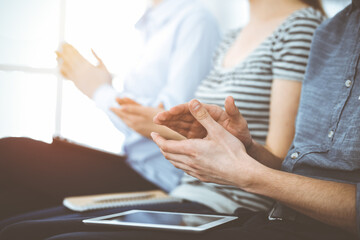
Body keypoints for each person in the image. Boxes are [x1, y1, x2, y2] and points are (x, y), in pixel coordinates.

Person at [0, 0, 327, 239]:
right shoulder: (232, 37)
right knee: (18, 229)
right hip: (188, 194)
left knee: (25, 231)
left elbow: (280, 166)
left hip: (228, 206)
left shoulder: (300, 25)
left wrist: (104, 93)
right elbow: (203, 133)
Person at [0, 0, 220, 220]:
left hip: (157, 180)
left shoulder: (195, 20)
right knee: (14, 204)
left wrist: (97, 89)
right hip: (131, 163)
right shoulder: (149, 26)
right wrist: (101, 86)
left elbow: (170, 122)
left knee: (8, 153)